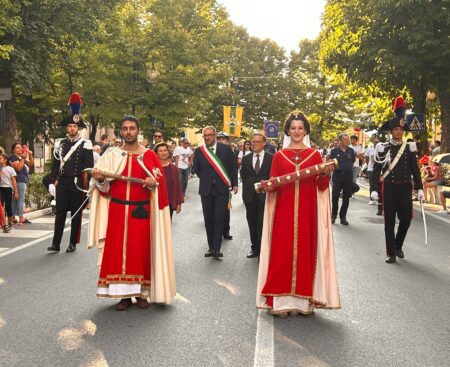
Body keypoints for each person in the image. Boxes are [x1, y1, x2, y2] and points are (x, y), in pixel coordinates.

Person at [256, 110, 340, 317]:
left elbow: (320, 186)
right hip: (283, 211)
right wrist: (268, 187)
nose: (296, 132)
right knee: (281, 252)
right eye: (293, 128)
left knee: (305, 253)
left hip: (307, 210)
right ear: (287, 130)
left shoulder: (315, 155)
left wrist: (324, 175)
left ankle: (304, 303)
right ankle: (280, 302)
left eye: (300, 128)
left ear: (305, 131)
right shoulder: (279, 156)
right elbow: (274, 183)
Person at [88, 115, 176, 310]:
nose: (128, 132)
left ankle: (142, 293)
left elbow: (158, 188)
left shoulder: (149, 156)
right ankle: (124, 296)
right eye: (125, 128)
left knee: (141, 251)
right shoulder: (111, 154)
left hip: (141, 210)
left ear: (138, 130)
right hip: (118, 210)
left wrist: (153, 183)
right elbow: (103, 189)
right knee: (118, 253)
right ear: (121, 131)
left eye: (132, 128)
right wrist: (100, 179)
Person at [371, 96, 424, 263]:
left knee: (406, 219)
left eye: (400, 130)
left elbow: (415, 169)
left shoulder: (409, 148)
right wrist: (374, 188)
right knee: (389, 221)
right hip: (389, 187)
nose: (398, 132)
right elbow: (376, 170)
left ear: (403, 131)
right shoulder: (383, 147)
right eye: (395, 130)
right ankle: (391, 252)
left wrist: (420, 187)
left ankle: (398, 244)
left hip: (405, 187)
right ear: (391, 131)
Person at [47, 92, 94, 253]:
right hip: (63, 182)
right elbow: (55, 165)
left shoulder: (86, 144)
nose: (72, 128)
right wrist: (52, 182)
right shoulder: (59, 143)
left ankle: (72, 242)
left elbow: (89, 166)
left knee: (76, 214)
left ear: (78, 128)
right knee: (60, 213)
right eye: (70, 126)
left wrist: (89, 187)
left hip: (77, 183)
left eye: (75, 126)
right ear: (66, 128)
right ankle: (56, 243)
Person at [193, 126, 238, 259]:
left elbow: (232, 167)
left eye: (210, 135)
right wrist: (208, 179)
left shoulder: (226, 149)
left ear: (215, 136)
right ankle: (211, 247)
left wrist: (234, 183)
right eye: (205, 135)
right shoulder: (199, 151)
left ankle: (217, 248)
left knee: (219, 218)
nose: (207, 137)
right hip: (206, 189)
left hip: (221, 189)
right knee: (209, 219)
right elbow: (197, 169)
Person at [240, 133, 273, 258]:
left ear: (264, 143)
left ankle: (263, 250)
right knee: (252, 224)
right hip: (250, 196)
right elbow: (243, 175)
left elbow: (273, 176)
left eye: (257, 142)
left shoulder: (271, 158)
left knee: (262, 224)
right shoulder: (246, 158)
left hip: (265, 196)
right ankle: (254, 248)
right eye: (253, 141)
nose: (254, 144)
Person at [329, 133, 355, 225]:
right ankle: (333, 215)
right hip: (337, 175)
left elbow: (352, 161)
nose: (347, 141)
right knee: (335, 196)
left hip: (348, 176)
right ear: (340, 141)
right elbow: (330, 162)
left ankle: (343, 217)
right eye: (345, 139)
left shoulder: (351, 151)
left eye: (348, 139)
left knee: (346, 198)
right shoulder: (334, 151)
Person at [154, 142, 184, 219]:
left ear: (168, 152)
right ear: (156, 154)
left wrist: (178, 203)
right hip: (155, 203)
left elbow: (178, 186)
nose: (163, 153)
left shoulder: (174, 168)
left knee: (167, 227)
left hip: (169, 203)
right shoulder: (152, 168)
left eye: (165, 150)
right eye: (160, 151)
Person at [217, 131, 236, 240]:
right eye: (219, 139)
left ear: (227, 141)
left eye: (223, 139)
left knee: (225, 209)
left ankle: (226, 231)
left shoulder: (229, 152)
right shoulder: (212, 152)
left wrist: (234, 184)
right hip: (214, 186)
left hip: (225, 184)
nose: (221, 141)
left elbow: (233, 169)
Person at [9, 143, 34, 224]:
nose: (20, 149)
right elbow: (19, 168)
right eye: (17, 148)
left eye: (20, 148)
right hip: (19, 180)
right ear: (13, 150)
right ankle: (21, 218)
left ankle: (12, 218)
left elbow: (31, 164)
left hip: (20, 180)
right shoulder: (13, 157)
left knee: (15, 200)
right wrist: (23, 158)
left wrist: (29, 154)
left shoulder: (20, 157)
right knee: (20, 199)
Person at [0, 154, 18, 227]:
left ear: (5, 160)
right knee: (1, 206)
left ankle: (10, 222)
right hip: (0, 188)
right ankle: (3, 223)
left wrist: (16, 192)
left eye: (0, 158)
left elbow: (13, 181)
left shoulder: (10, 169)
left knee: (8, 206)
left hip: (8, 188)